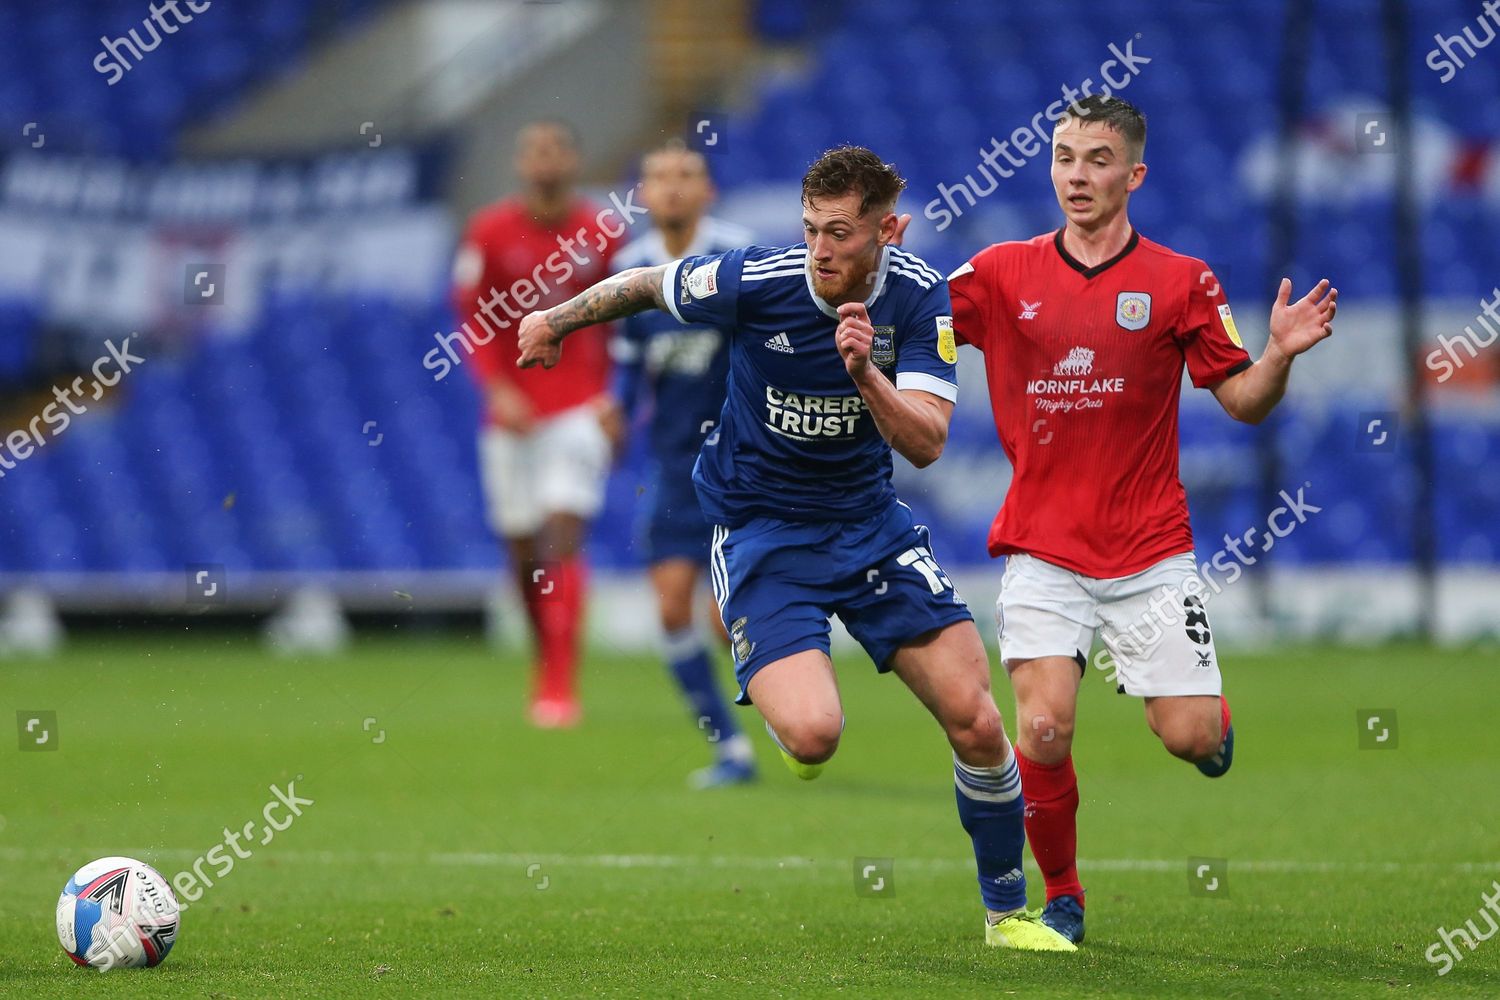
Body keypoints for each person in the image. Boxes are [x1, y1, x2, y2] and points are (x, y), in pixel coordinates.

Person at [517, 145, 1077, 951]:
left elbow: (925, 444)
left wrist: (866, 375)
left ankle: (1005, 914)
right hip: (762, 531)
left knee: (979, 722)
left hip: (869, 527)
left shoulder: (922, 300)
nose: (820, 250)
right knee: (814, 736)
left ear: (890, 230)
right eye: (811, 229)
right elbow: (645, 285)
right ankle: (786, 710)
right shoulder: (761, 278)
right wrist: (555, 320)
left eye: (840, 234)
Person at [948, 95, 1338, 944]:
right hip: (1040, 546)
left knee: (1188, 737)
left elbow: (1242, 402)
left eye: (1096, 159)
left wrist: (1276, 356)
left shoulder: (1181, 280)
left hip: (1149, 550)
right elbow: (924, 327)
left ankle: (1208, 721)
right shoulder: (997, 273)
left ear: (1134, 173)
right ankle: (1065, 895)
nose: (1076, 175)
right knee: (1042, 728)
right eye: (1062, 156)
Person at [452, 120, 625, 728]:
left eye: (556, 149)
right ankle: (543, 655)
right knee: (524, 552)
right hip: (511, 416)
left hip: (578, 407)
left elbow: (626, 319)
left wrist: (612, 396)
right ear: (521, 164)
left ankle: (559, 683)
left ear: (573, 160)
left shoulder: (602, 234)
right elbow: (473, 321)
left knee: (561, 535)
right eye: (535, 152)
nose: (546, 161)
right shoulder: (489, 231)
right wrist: (497, 389)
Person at [603, 141, 757, 788]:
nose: (671, 187)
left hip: (741, 462)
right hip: (671, 465)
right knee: (671, 611)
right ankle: (729, 747)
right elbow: (628, 363)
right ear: (643, 193)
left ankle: (789, 711)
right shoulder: (630, 267)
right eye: (658, 176)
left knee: (728, 621)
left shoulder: (738, 258)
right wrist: (615, 410)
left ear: (708, 191)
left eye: (685, 175)